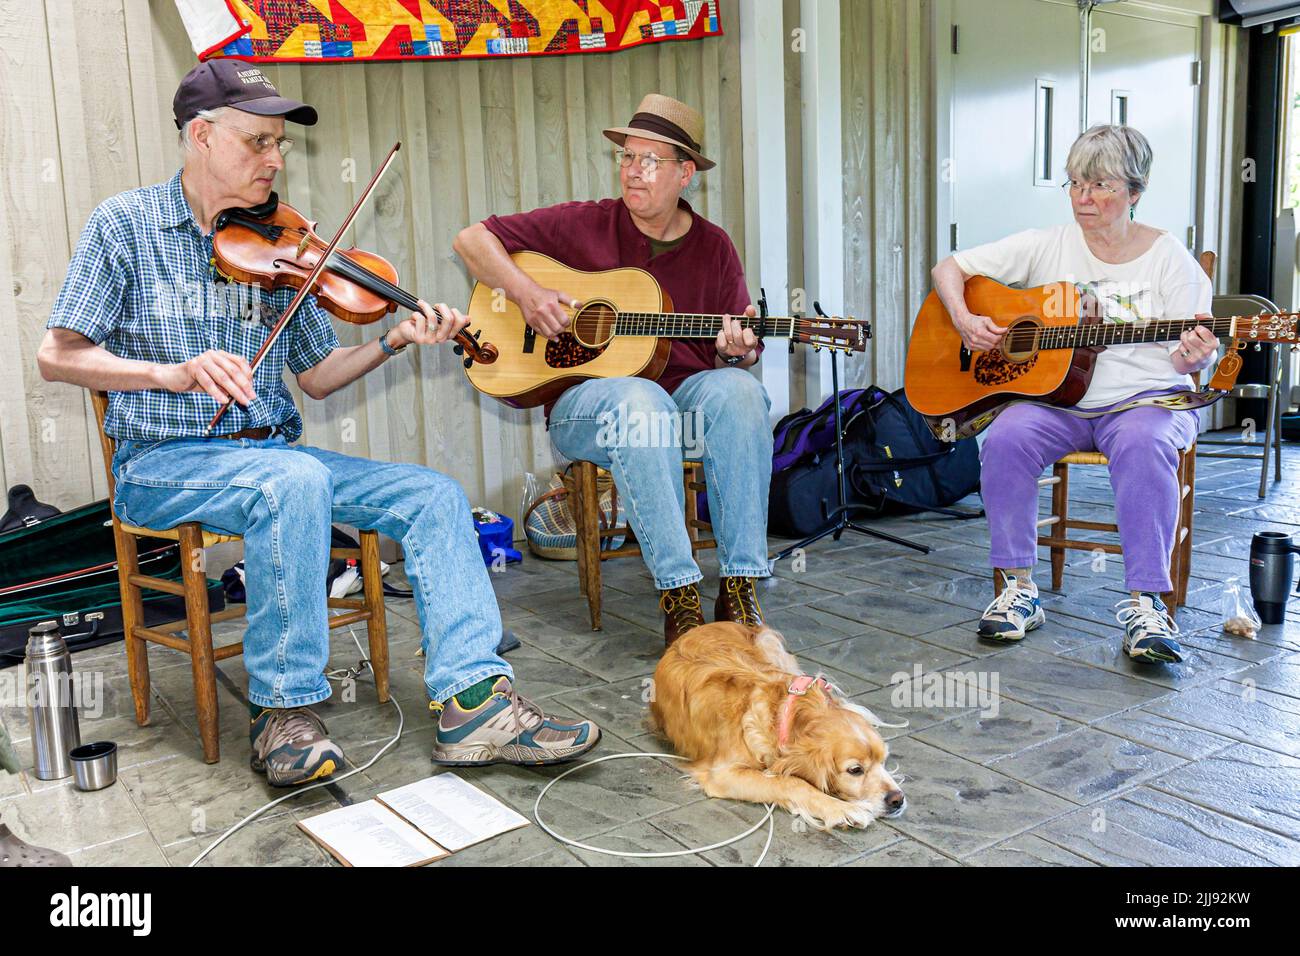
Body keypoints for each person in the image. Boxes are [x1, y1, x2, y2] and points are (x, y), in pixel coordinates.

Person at [36, 60, 598, 786]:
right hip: (162, 463)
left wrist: (393, 342)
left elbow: (316, 377)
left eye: (281, 144)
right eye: (257, 142)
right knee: (291, 478)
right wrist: (167, 373)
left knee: (430, 494)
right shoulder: (125, 227)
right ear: (201, 136)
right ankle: (284, 714)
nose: (275, 158)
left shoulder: (282, 242)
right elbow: (57, 354)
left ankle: (475, 707)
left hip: (273, 458)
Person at [454, 93, 773, 647]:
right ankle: (680, 595)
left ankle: (741, 586)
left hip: (682, 406)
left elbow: (733, 352)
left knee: (741, 392)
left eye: (650, 160)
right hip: (588, 411)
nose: (633, 171)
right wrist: (527, 294)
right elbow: (471, 239)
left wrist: (736, 350)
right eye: (627, 157)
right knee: (637, 398)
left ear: (685, 173)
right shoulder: (582, 225)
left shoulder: (714, 247)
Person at [930, 124, 1217, 664]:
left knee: (1143, 443)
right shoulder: (1047, 244)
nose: (1085, 198)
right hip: (1059, 403)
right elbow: (950, 267)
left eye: (1101, 186)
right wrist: (966, 320)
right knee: (1006, 436)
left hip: (1145, 400)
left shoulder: (1167, 257)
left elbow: (1185, 359)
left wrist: (1194, 354)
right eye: (1076, 184)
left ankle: (1147, 603)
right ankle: (1018, 589)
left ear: (1135, 191)